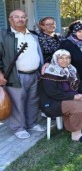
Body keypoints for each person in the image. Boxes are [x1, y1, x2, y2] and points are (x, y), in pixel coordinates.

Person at [0, 10, 46, 139]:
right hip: (16, 75)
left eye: (23, 17)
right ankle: (18, 127)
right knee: (17, 102)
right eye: (16, 17)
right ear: (10, 19)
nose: (20, 19)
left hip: (34, 74)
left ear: (26, 19)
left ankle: (31, 123)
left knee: (33, 100)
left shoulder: (33, 35)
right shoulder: (3, 35)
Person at [39, 50, 82, 142]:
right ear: (56, 59)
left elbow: (79, 84)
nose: (65, 60)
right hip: (54, 102)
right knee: (77, 106)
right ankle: (76, 135)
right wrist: (73, 97)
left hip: (72, 96)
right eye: (61, 58)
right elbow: (52, 93)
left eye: (67, 58)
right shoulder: (50, 71)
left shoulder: (71, 69)